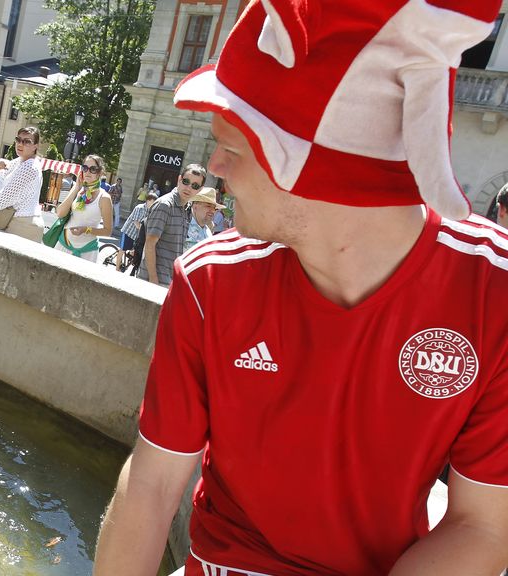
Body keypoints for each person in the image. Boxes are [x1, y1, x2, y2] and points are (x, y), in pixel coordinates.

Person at [94, 1, 508, 575]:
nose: (213, 167)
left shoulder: (493, 293)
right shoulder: (211, 281)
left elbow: (483, 528)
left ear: (319, 171)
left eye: (232, 148)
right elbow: (150, 484)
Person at [136, 165, 206, 286]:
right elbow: (150, 244)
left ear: (200, 189)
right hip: (154, 282)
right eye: (186, 181)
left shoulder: (187, 209)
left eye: (195, 186)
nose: (188, 188)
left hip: (169, 280)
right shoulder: (165, 205)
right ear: (179, 179)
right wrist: (153, 281)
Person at [0, 127, 45, 241]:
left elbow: (6, 196)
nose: (20, 144)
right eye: (18, 139)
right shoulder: (20, 161)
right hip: (17, 221)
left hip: (25, 224)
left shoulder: (30, 166)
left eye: (27, 141)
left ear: (36, 146)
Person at [53, 154, 114, 261]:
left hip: (87, 252)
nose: (87, 172)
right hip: (64, 244)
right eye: (85, 168)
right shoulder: (78, 190)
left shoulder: (104, 198)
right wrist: (76, 187)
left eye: (93, 169)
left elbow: (107, 231)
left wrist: (87, 230)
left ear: (99, 173)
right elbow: (60, 213)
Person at [117, 191, 157, 272]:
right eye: (153, 202)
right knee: (122, 249)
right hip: (128, 232)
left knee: (135, 251)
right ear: (148, 201)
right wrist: (144, 232)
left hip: (136, 236)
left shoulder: (150, 211)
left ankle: (127, 266)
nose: (154, 204)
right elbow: (136, 223)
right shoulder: (140, 208)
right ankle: (117, 269)